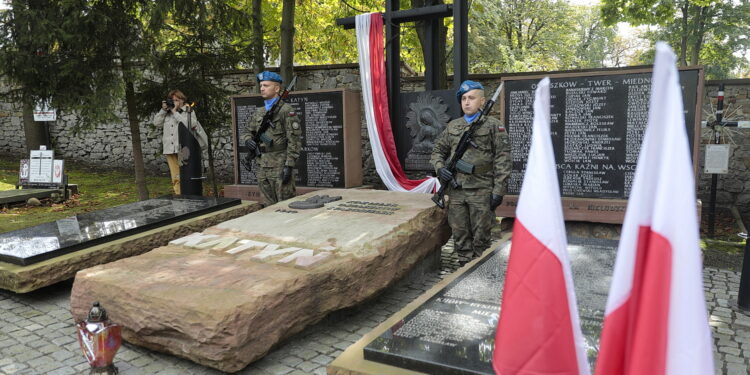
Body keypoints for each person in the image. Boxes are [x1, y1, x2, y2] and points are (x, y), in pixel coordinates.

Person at [430, 80, 511, 266]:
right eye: (463, 98)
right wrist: (440, 168)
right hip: (456, 190)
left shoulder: (493, 126)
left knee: (482, 234)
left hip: (481, 189)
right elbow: (437, 151)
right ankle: (463, 265)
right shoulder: (453, 126)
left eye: (472, 98)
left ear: (482, 101)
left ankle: (480, 268)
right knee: (459, 233)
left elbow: (503, 160)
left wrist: (498, 191)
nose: (467, 102)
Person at [243, 71, 302, 206]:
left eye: (266, 85)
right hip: (262, 166)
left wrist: (289, 165)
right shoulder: (259, 112)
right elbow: (247, 131)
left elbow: (295, 140)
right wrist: (248, 140)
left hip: (279, 165)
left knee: (285, 205)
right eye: (261, 85)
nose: (262, 88)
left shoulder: (286, 111)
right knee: (267, 206)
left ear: (276, 89)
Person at [153, 89, 208, 195]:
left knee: (186, 176)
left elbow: (189, 124)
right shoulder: (166, 113)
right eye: (172, 100)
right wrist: (163, 110)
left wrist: (175, 113)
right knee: (175, 177)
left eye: (176, 100)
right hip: (170, 149)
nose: (174, 102)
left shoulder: (188, 111)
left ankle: (190, 198)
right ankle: (180, 198)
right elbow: (156, 123)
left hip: (184, 149)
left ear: (182, 100)